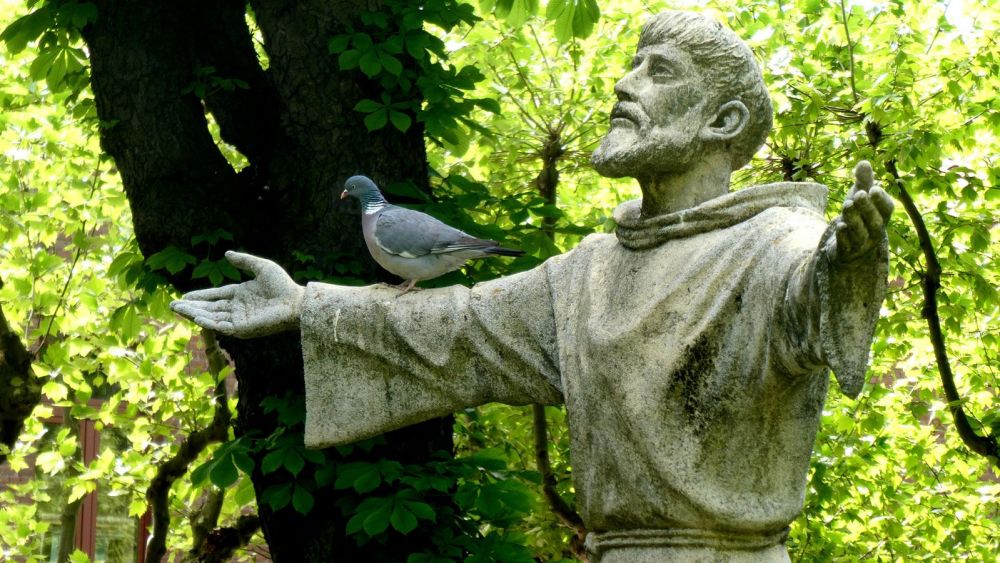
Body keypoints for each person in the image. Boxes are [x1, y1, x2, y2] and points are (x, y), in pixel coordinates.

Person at [172, 11, 892, 562]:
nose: (624, 83)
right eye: (631, 65)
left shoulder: (774, 244)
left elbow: (811, 291)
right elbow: (455, 327)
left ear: (723, 120)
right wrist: (306, 306)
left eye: (659, 72)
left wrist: (847, 272)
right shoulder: (588, 271)